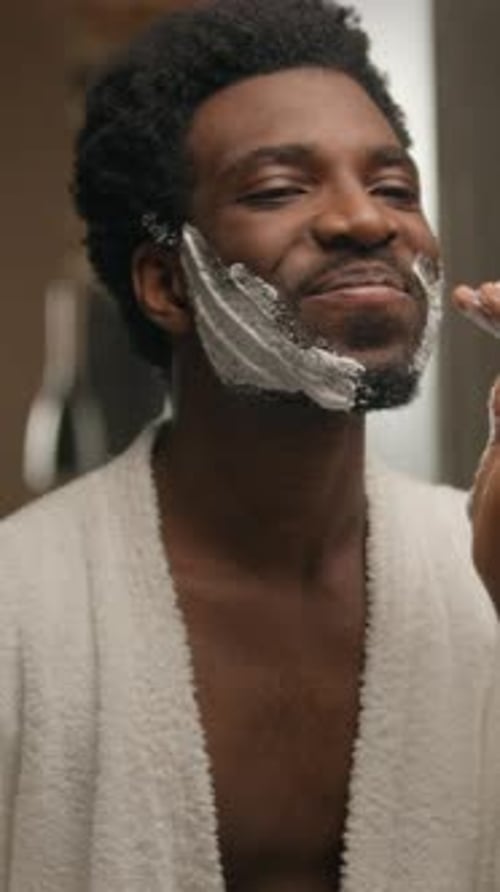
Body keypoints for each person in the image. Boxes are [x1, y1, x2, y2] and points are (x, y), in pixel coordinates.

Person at [0, 1, 498, 890]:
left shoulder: (482, 573)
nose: (366, 221)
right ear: (167, 285)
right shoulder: (19, 616)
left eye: (393, 187)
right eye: (277, 188)